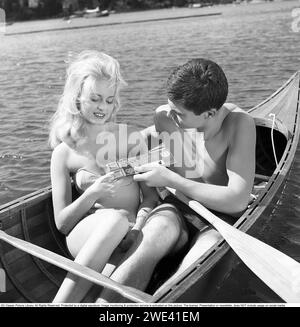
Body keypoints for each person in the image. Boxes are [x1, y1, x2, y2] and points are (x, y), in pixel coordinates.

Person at [49, 50, 186, 303]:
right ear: (77, 97)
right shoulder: (63, 153)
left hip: (133, 233)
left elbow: (149, 199)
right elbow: (63, 224)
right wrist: (93, 193)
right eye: (95, 99)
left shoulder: (131, 138)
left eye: (109, 100)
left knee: (108, 289)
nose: (103, 107)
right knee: (114, 219)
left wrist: (138, 227)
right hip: (87, 235)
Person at [134, 58, 256, 287]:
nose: (170, 116)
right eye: (170, 107)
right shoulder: (165, 117)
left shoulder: (239, 125)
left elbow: (237, 201)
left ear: (209, 114)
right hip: (180, 205)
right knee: (150, 237)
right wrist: (133, 145)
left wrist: (171, 179)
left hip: (221, 218)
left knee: (199, 259)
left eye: (178, 113)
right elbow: (167, 132)